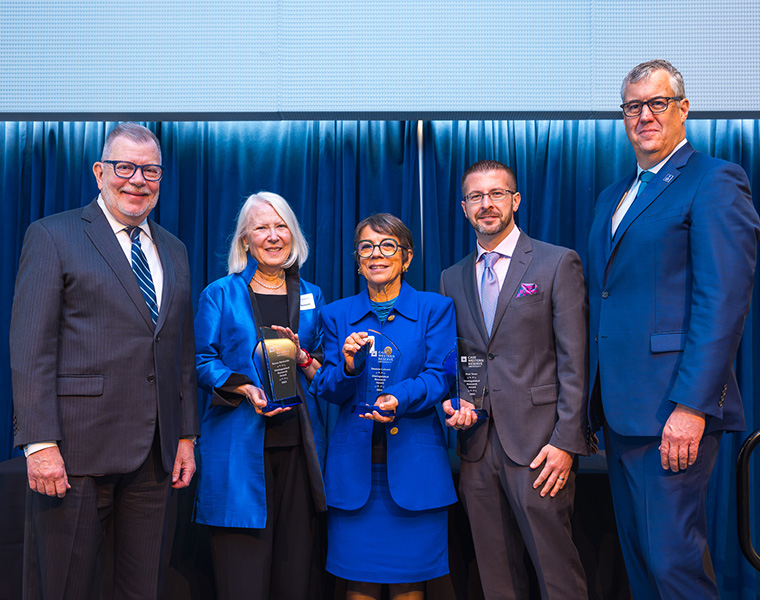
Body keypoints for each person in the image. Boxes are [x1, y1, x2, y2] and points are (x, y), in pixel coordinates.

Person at [587, 59, 760, 599]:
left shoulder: (715, 180)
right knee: (642, 566)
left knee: (673, 568)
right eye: (634, 106)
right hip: (620, 413)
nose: (645, 115)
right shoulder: (612, 195)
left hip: (671, 411)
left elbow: (722, 303)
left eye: (657, 103)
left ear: (683, 109)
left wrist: (690, 406)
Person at [10, 122, 199, 599]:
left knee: (143, 588)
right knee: (65, 587)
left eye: (150, 170)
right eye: (125, 167)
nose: (137, 179)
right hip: (75, 453)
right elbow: (31, 348)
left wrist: (185, 434)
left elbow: (180, 351)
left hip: (154, 457)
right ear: (100, 172)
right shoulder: (53, 235)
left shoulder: (173, 249)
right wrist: (38, 444)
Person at [440, 160, 589, 599]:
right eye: (476, 197)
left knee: (556, 573)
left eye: (497, 194)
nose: (486, 204)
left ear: (515, 200)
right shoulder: (452, 277)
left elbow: (575, 362)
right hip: (477, 447)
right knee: (495, 578)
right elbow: (466, 357)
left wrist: (566, 442)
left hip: (540, 447)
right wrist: (461, 403)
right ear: (464, 208)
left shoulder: (557, 262)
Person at [311, 213, 456, 600]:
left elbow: (440, 377)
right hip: (354, 473)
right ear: (357, 260)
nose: (377, 254)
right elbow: (327, 388)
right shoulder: (336, 314)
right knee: (357, 585)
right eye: (366, 246)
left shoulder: (435, 309)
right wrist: (347, 365)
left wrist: (400, 397)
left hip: (415, 472)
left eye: (388, 245)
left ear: (406, 258)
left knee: (411, 585)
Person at [194, 192, 327, 599]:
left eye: (280, 225)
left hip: (300, 451)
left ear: (293, 234)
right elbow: (200, 360)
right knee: (243, 581)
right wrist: (243, 385)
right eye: (261, 227)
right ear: (244, 241)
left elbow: (321, 367)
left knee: (295, 578)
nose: (273, 236)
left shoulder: (313, 295)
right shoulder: (220, 293)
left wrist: (304, 357)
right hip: (239, 452)